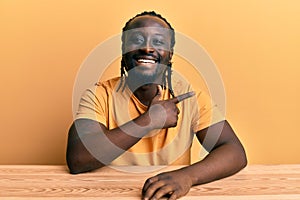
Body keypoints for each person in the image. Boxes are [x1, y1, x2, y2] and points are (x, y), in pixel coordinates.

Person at [66, 11, 247, 200]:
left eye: (158, 42)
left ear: (170, 54)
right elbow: (78, 159)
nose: (147, 48)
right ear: (124, 49)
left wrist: (186, 176)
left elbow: (234, 151)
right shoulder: (99, 95)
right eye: (136, 39)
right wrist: (149, 120)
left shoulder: (190, 98)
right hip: (108, 194)